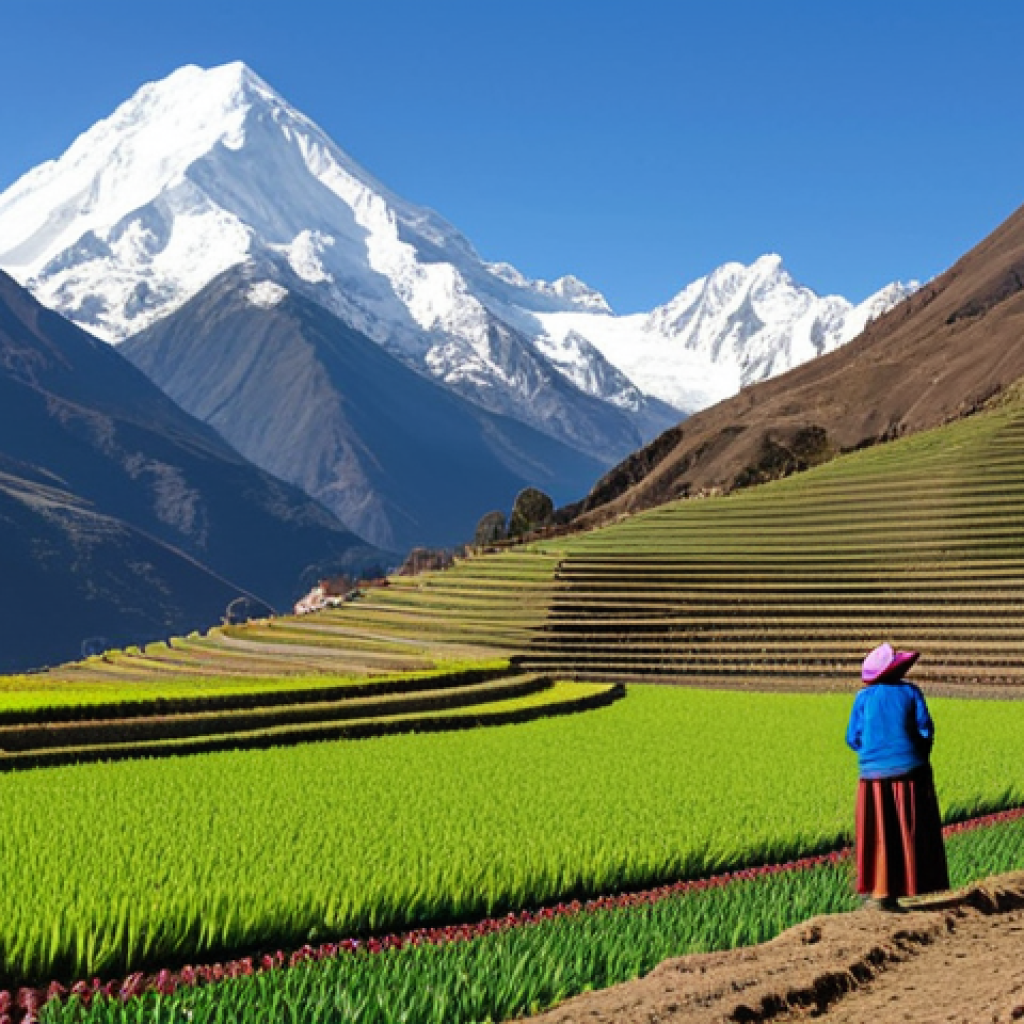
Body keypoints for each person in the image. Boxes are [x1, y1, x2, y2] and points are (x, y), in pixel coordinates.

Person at [845, 643, 949, 910]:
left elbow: (852, 738)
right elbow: (925, 730)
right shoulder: (910, 692)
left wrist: (874, 756)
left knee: (879, 830)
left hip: (872, 778)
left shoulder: (863, 698)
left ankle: (880, 893)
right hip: (910, 774)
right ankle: (906, 886)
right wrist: (916, 756)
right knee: (905, 828)